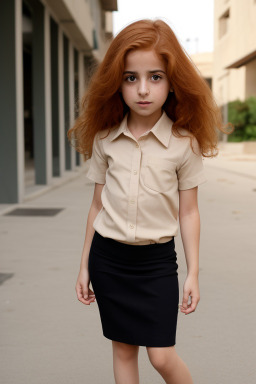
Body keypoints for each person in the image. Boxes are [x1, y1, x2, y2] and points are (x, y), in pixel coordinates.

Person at [68, 19, 230, 384]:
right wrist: (84, 266)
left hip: (156, 265)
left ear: (173, 81)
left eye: (155, 77)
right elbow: (97, 207)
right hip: (108, 261)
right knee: (123, 351)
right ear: (117, 82)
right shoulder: (105, 139)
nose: (143, 89)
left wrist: (193, 273)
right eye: (131, 78)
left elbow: (189, 212)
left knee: (161, 357)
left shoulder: (184, 143)